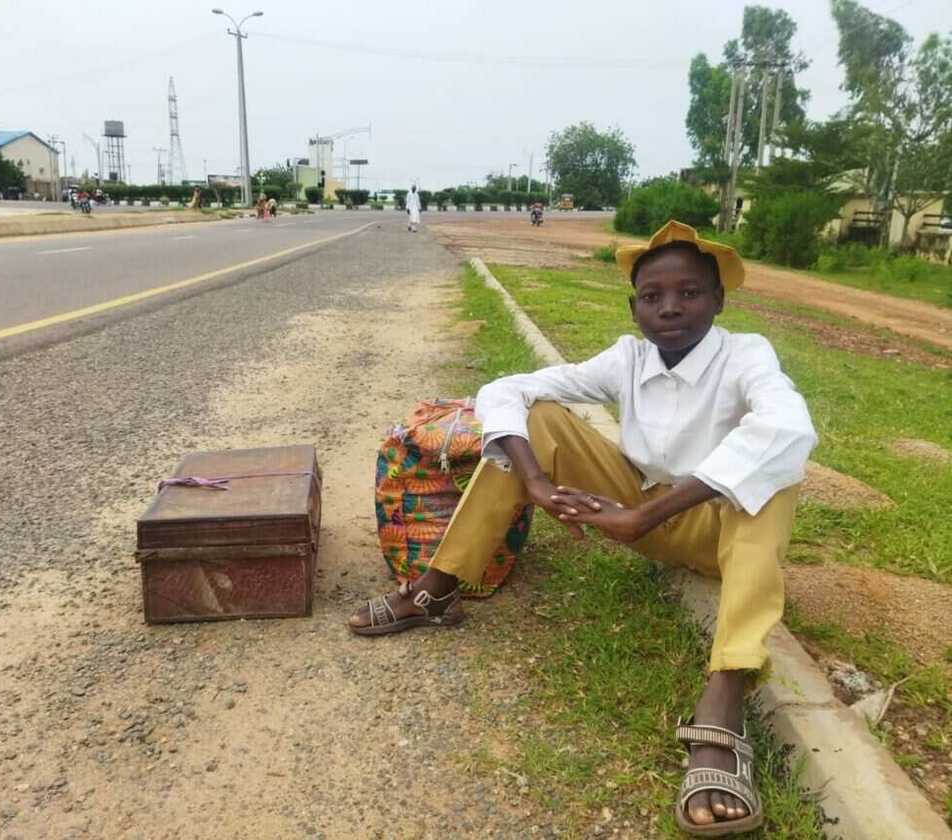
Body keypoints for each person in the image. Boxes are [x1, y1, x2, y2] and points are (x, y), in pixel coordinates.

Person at [349, 220, 817, 836]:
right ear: (634, 307)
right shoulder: (628, 358)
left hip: (715, 533)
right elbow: (506, 388)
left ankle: (724, 699)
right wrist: (536, 482)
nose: (670, 308)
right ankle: (436, 588)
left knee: (774, 476)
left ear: (719, 300)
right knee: (534, 418)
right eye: (652, 296)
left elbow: (787, 427)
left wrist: (644, 515)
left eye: (689, 293)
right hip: (638, 511)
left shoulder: (747, 354)